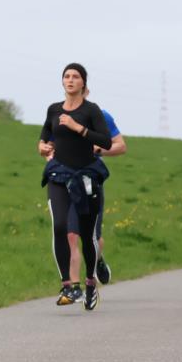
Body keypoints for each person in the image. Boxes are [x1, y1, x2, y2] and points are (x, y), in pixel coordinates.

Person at [38, 64, 112, 310]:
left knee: (86, 235)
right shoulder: (53, 109)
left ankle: (90, 281)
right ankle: (68, 284)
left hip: (86, 177)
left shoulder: (91, 111)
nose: (70, 80)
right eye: (66, 76)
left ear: (83, 83)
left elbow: (106, 142)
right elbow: (44, 137)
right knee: (59, 227)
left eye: (75, 77)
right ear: (62, 82)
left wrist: (78, 128)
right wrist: (42, 147)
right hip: (59, 175)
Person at [63, 87, 126, 298]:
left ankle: (97, 261)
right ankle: (74, 288)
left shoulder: (101, 116)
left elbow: (120, 146)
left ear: (86, 92)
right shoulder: (61, 116)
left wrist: (98, 150)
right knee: (71, 235)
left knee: (92, 238)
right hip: (68, 180)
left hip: (90, 181)